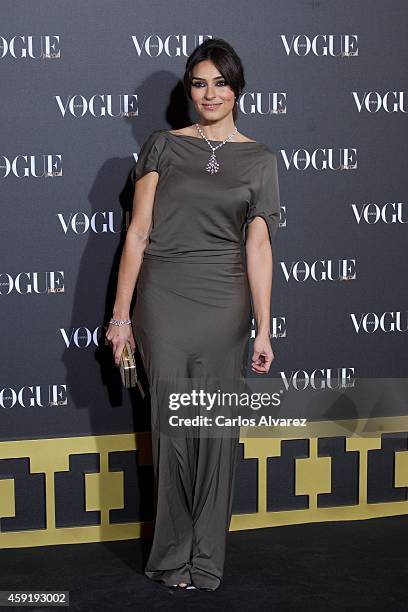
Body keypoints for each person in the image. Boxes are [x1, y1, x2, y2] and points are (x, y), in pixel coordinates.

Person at [105, 37, 280, 592]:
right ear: (189, 89)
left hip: (224, 303)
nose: (210, 93)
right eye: (199, 83)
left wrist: (264, 326)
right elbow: (137, 233)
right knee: (172, 429)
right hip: (163, 299)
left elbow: (258, 247)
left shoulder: (259, 159)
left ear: (237, 89)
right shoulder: (164, 146)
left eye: (220, 83)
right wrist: (120, 316)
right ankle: (170, 557)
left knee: (217, 433)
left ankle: (206, 559)